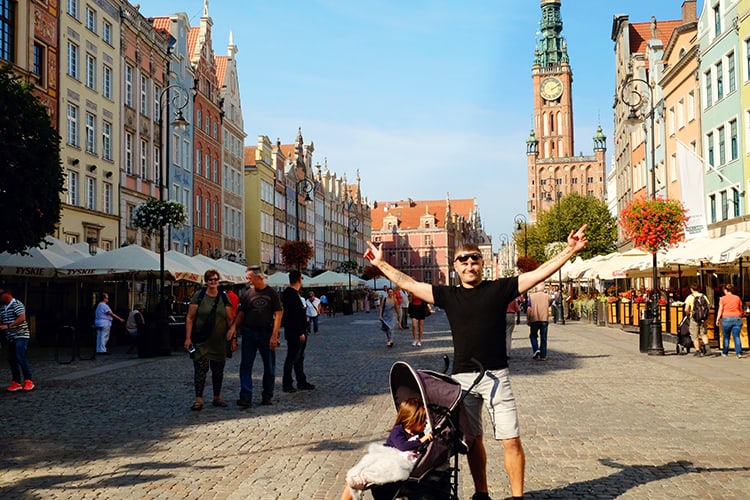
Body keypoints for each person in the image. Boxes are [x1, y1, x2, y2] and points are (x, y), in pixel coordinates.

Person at [365, 224, 588, 500]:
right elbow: (409, 284)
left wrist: (569, 250)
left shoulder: (500, 289)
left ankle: (517, 496)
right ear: (455, 267)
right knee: (472, 440)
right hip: (462, 381)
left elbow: (538, 273)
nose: (469, 264)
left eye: (474, 259)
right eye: (463, 260)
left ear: (481, 263)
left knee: (511, 439)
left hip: (497, 376)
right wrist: (381, 263)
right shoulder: (449, 295)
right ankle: (481, 493)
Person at [341, 398, 433, 500]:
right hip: (386, 457)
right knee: (360, 475)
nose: (425, 423)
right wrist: (421, 440)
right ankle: (360, 480)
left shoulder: (418, 433)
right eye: (423, 420)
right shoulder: (398, 431)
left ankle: (361, 480)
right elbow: (402, 446)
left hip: (396, 465)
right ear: (412, 420)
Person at [229, 265, 283, 408]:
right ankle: (246, 396)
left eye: (249, 278)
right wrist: (234, 327)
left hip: (266, 333)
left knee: (269, 366)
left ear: (258, 277)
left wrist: (274, 335)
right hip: (249, 333)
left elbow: (278, 313)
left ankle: (267, 395)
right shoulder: (247, 294)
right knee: (245, 365)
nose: (248, 281)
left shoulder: (271, 293)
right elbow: (241, 313)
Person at [183, 270, 234, 411]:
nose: (213, 282)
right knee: (200, 370)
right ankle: (198, 399)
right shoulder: (198, 296)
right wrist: (188, 338)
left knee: (218, 371)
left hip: (219, 342)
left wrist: (233, 337)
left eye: (216, 279)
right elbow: (190, 317)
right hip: (201, 341)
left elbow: (230, 319)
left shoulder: (224, 298)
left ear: (219, 281)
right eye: (210, 279)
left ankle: (216, 397)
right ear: (206, 281)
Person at [282, 271, 315, 393]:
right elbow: (293, 316)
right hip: (295, 332)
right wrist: (300, 332)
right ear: (299, 280)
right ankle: (287, 383)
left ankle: (301, 381)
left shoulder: (293, 294)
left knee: (299, 357)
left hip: (297, 331)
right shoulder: (290, 294)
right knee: (292, 357)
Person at [0, 288, 35, 392]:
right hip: (10, 337)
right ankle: (16, 382)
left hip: (21, 335)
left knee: (20, 356)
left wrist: (8, 326)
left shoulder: (17, 304)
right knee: (12, 359)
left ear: (7, 294)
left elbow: (22, 318)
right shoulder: (3, 308)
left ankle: (29, 381)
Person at [716, 283, 743, 359]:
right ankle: (739, 353)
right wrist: (741, 314)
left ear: (725, 290)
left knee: (726, 336)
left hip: (726, 318)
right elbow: (740, 308)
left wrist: (718, 318)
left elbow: (720, 309)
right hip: (736, 318)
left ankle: (725, 352)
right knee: (736, 336)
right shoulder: (737, 298)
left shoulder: (722, 299)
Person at [683, 283, 711, 357]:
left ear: (691, 289)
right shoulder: (703, 296)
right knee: (703, 333)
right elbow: (708, 306)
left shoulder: (690, 297)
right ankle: (707, 348)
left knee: (694, 335)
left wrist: (688, 314)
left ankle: (698, 351)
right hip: (703, 318)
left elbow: (686, 309)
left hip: (694, 318)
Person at [526, 285, 552, 360]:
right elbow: (549, 304)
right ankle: (543, 355)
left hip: (535, 319)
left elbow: (529, 308)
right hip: (544, 319)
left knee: (533, 335)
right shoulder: (547, 296)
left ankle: (536, 349)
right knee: (543, 338)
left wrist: (528, 318)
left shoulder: (532, 296)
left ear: (536, 288)